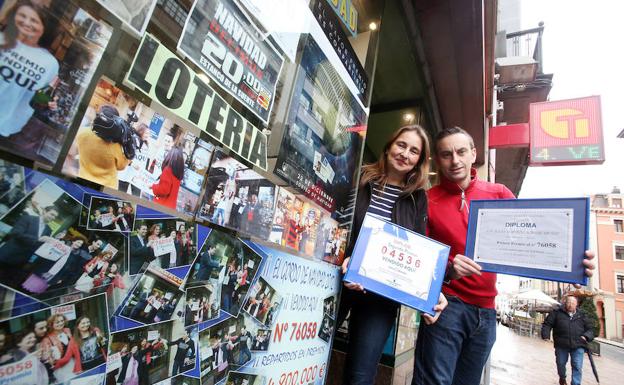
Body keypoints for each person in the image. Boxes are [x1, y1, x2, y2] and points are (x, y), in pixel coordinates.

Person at [411, 126, 596, 385]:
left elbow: (532, 237)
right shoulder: (427, 200)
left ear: (473, 153)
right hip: (447, 306)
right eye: (446, 154)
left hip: (486, 314)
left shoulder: (497, 193)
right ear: (437, 160)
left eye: (461, 151)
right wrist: (450, 268)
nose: (455, 160)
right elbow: (418, 259)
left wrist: (573, 265)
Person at [338, 125, 446, 385]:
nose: (405, 154)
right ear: (388, 147)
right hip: (336, 280)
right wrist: (344, 255)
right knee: (311, 349)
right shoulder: (359, 177)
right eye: (401, 145)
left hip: (380, 297)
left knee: (360, 376)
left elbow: (417, 248)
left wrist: (433, 290)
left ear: (418, 161)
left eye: (414, 151)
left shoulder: (417, 198)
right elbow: (336, 221)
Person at [0, 1, 59, 145]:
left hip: (8, 128)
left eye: (34, 20)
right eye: (22, 16)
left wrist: (49, 100)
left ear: (43, 27)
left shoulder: (49, 63)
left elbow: (40, 98)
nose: (27, 22)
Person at [75, 105, 131, 188]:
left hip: (83, 180)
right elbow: (121, 166)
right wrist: (129, 157)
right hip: (105, 188)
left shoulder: (82, 133)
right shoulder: (115, 145)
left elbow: (76, 150)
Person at [542, 295, 594, 385]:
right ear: (565, 303)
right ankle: (562, 378)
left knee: (577, 366)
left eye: (573, 303)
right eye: (569, 302)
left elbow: (590, 329)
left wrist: (586, 336)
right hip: (561, 344)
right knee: (560, 364)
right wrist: (546, 335)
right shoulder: (557, 312)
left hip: (578, 345)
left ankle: (575, 383)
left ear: (576, 304)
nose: (570, 305)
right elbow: (547, 324)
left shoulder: (582, 315)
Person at [41, 314, 74, 383]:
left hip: (73, 362)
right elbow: (48, 360)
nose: (61, 323)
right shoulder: (47, 339)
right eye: (57, 322)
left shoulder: (67, 330)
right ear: (51, 324)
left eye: (62, 321)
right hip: (61, 368)